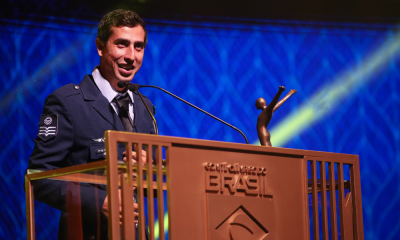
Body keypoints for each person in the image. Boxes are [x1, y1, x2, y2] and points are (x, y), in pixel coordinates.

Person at [27, 9, 155, 240]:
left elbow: (152, 188)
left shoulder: (146, 108)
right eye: (122, 44)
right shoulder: (68, 103)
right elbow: (39, 177)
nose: (131, 56)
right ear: (100, 46)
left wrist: (150, 172)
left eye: (138, 47)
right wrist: (99, 203)